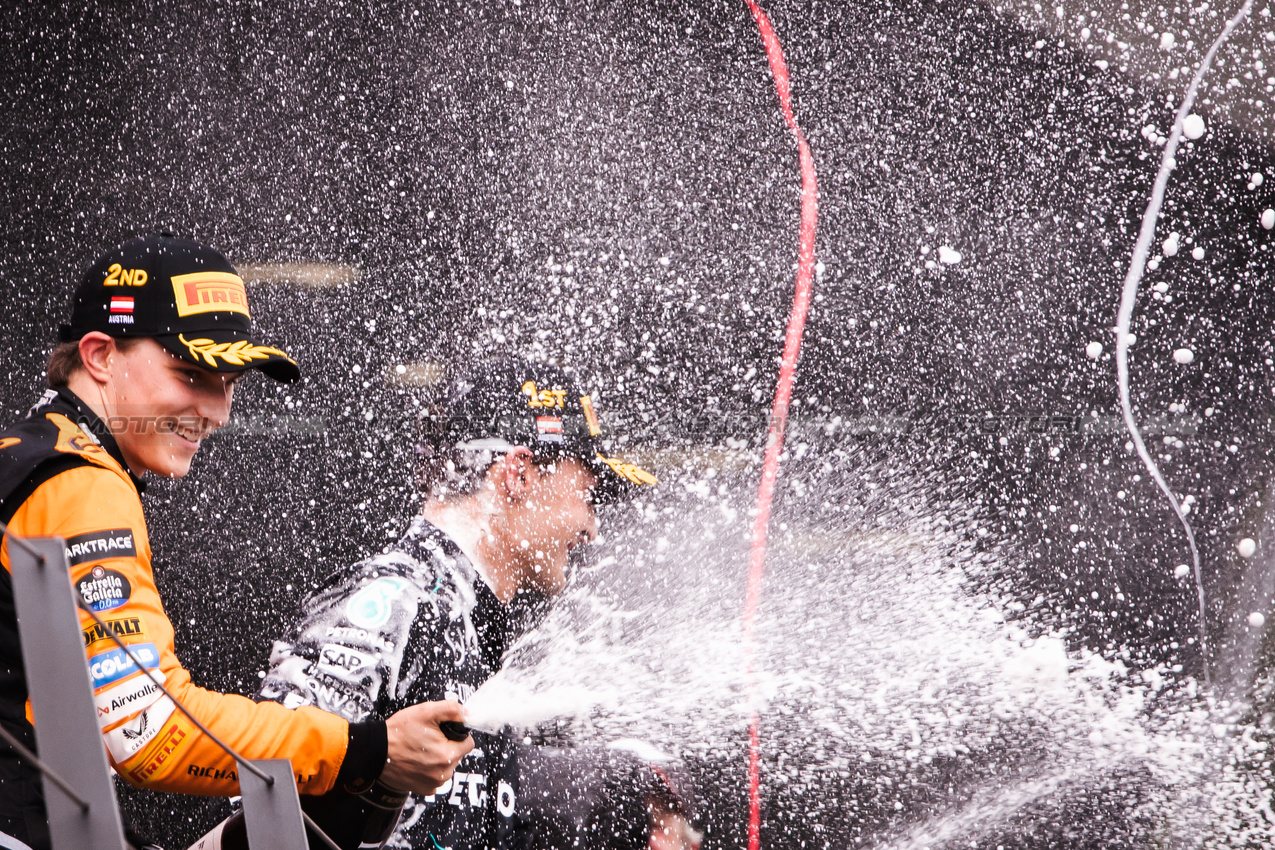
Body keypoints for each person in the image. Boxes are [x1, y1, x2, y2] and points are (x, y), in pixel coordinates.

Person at [0, 235, 473, 850]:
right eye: (191, 373)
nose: (217, 412)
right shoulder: (82, 484)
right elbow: (149, 730)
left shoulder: (27, 455)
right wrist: (365, 748)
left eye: (229, 382)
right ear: (99, 355)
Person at [255, 358, 692, 849]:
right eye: (589, 494)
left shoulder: (475, 630)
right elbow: (262, 796)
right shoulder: (398, 595)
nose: (593, 527)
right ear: (520, 475)